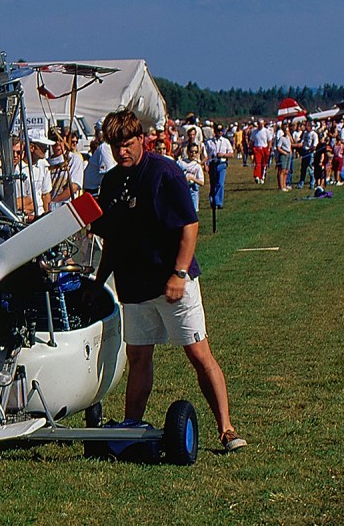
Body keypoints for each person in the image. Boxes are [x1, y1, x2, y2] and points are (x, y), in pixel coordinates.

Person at [90, 110, 246, 452]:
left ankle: (227, 428)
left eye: (128, 144)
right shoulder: (113, 181)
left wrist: (178, 273)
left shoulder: (165, 173)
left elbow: (189, 226)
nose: (122, 152)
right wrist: (98, 281)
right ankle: (131, 429)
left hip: (173, 283)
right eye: (115, 146)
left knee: (198, 353)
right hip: (134, 285)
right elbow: (111, 239)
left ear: (142, 139)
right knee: (138, 358)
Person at [205, 123, 232, 208]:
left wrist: (223, 155)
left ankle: (218, 202)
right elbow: (205, 155)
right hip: (212, 164)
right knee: (213, 184)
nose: (220, 132)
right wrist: (206, 164)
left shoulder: (225, 141)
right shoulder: (209, 142)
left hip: (222, 163)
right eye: (218, 131)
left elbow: (231, 154)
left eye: (221, 131)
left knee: (220, 183)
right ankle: (213, 201)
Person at [177, 143, 205, 213]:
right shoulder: (181, 163)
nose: (193, 154)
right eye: (191, 152)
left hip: (193, 190)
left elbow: (202, 182)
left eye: (196, 152)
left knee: (194, 212)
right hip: (183, 189)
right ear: (187, 152)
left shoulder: (197, 166)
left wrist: (192, 178)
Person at [250, 119, 271, 184]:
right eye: (259, 124)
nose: (261, 125)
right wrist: (251, 149)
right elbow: (252, 141)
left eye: (262, 124)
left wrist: (269, 148)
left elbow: (269, 140)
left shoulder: (266, 131)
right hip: (257, 148)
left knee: (264, 164)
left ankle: (262, 177)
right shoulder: (254, 132)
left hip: (264, 148)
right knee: (257, 163)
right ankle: (257, 176)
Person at [275, 122, 292, 191]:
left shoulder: (288, 137)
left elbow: (291, 142)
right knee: (282, 170)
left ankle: (284, 185)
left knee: (286, 171)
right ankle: (281, 186)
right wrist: (284, 152)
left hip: (289, 154)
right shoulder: (281, 138)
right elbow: (278, 147)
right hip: (284, 154)